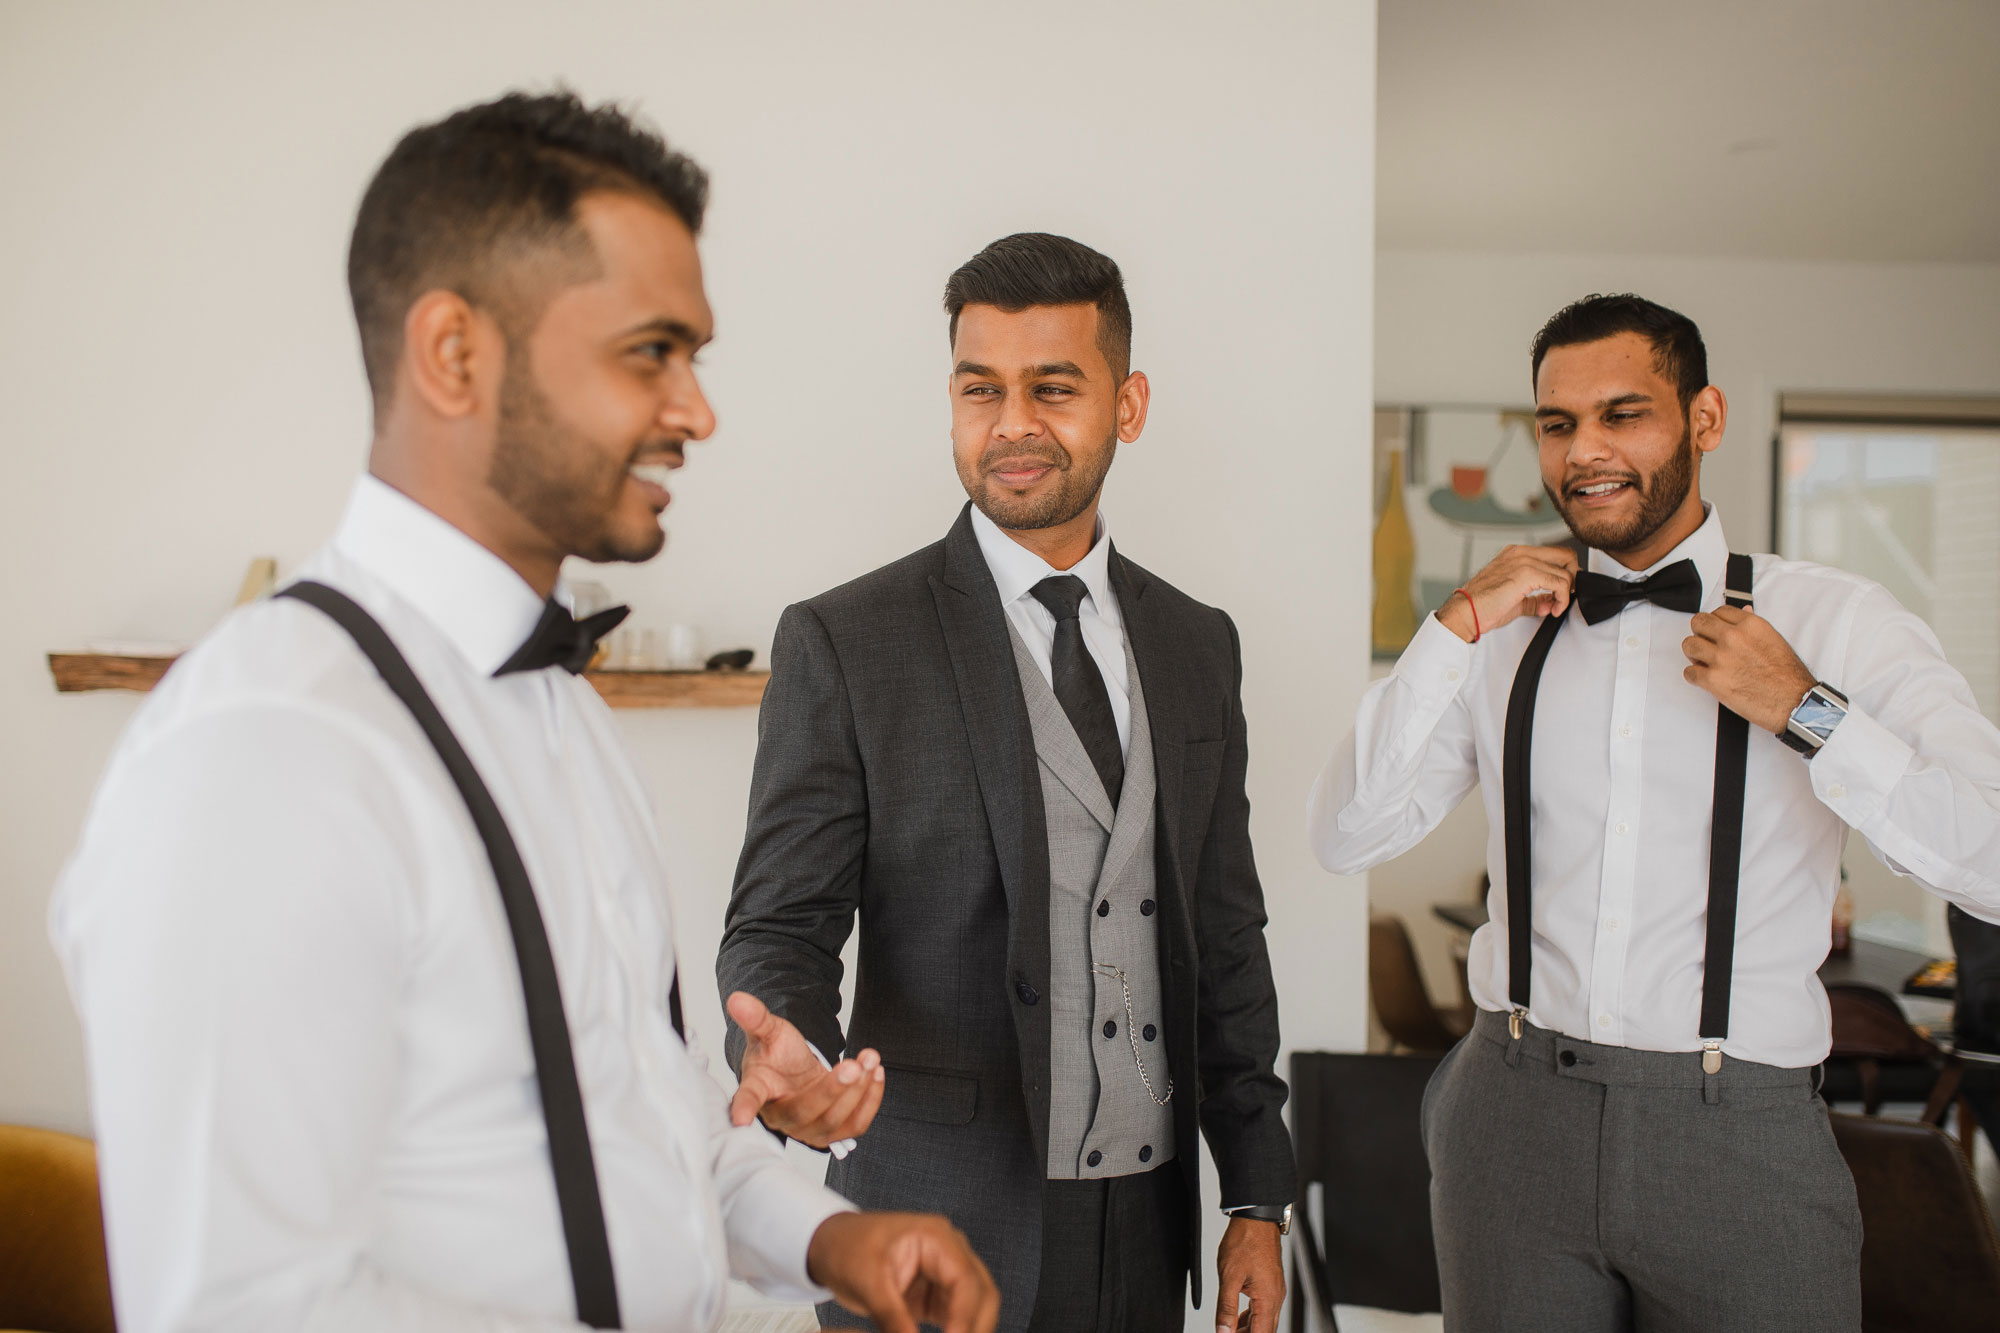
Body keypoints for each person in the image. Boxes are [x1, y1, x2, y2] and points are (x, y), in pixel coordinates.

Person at [49, 90, 997, 1333]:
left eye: (694, 357)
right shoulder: (267, 755)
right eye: (649, 351)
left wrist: (828, 1239)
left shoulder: (565, 715)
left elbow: (641, 1126)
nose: (697, 411)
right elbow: (252, 1310)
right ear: (455, 353)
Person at [1310, 293, 2000, 1333]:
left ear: (1704, 419)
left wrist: (1809, 713)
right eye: (1555, 423)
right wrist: (1448, 629)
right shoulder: (1500, 630)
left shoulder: (1837, 619)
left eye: (1621, 413)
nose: (1583, 450)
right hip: (1508, 1112)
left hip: (1741, 1136)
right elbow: (1345, 833)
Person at [716, 233, 1296, 1333]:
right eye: (980, 388)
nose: (1011, 423)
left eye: (1052, 388)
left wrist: (1255, 1194)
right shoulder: (846, 640)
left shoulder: (1194, 643)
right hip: (930, 1223)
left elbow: (1226, 937)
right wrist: (792, 1051)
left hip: (1146, 1229)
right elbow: (779, 926)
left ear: (1125, 406)